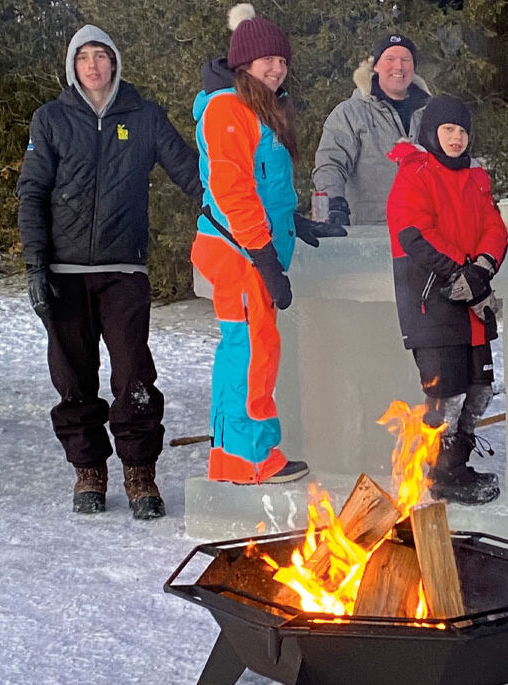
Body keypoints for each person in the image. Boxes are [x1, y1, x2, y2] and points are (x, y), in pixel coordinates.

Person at [17, 25, 202, 520]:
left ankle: (140, 470)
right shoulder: (51, 119)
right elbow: (32, 192)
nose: (94, 65)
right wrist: (36, 264)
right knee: (73, 377)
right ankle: (89, 469)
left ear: (115, 62)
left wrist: (241, 210)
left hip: (123, 269)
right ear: (73, 67)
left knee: (133, 375)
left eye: (101, 56)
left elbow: (191, 173)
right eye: (84, 58)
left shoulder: (143, 117)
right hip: (63, 270)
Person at [191, 5, 342, 485]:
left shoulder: (261, 107)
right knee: (252, 351)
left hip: (254, 246)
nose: (276, 67)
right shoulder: (227, 108)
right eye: (265, 60)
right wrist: (264, 257)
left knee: (245, 348)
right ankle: (252, 459)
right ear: (243, 65)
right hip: (240, 252)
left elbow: (263, 185)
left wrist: (291, 221)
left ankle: (233, 455)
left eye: (281, 59)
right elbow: (232, 190)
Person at [385, 95, 508, 505]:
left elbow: (494, 225)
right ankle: (439, 470)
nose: (456, 138)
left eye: (462, 131)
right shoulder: (414, 173)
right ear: (431, 133)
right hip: (432, 299)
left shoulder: (476, 177)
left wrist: (481, 269)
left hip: (471, 297)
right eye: (448, 130)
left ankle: (458, 464)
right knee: (447, 391)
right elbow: (413, 233)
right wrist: (461, 271)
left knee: (479, 388)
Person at [313, 33, 432, 226]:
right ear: (375, 66)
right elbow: (331, 163)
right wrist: (334, 202)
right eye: (390, 59)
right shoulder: (350, 112)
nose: (398, 66)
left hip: (424, 233)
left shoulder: (431, 114)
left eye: (406, 60)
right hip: (371, 233)